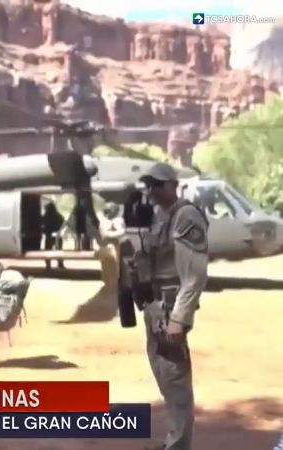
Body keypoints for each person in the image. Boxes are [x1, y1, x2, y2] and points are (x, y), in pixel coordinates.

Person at [137, 162, 209, 450]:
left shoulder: (186, 216)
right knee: (164, 375)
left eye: (156, 184)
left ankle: (179, 444)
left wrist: (179, 318)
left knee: (175, 378)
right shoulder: (160, 216)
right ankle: (174, 439)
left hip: (170, 308)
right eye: (148, 185)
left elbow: (194, 274)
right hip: (155, 306)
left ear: (171, 185)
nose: (151, 191)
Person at [41, 201, 65, 270]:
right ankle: (60, 264)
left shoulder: (46, 216)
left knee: (48, 251)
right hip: (57, 235)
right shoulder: (58, 215)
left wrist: (44, 230)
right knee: (59, 251)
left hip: (49, 235)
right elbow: (63, 222)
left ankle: (48, 265)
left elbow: (42, 223)